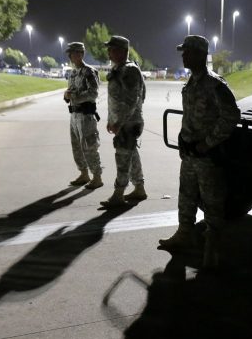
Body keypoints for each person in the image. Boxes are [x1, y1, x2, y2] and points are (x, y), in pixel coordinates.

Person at [158, 35, 241, 268]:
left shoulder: (216, 85)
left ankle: (212, 249)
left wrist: (207, 143)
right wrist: (183, 138)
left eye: (187, 52)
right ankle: (184, 235)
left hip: (207, 157)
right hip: (190, 154)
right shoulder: (191, 83)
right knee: (186, 197)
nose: (183, 56)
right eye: (183, 52)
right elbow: (191, 116)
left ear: (200, 54)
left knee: (212, 203)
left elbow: (231, 116)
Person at [99, 35, 147, 209]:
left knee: (122, 158)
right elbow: (115, 100)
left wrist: (118, 122)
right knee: (131, 155)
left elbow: (130, 101)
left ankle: (118, 194)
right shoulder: (119, 69)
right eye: (109, 49)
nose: (109, 52)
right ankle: (139, 188)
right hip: (123, 122)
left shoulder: (130, 70)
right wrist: (111, 120)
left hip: (129, 123)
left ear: (123, 51)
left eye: (112, 49)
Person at [64, 41, 104, 189]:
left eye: (74, 52)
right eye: (70, 53)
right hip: (74, 115)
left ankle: (97, 177)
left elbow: (93, 93)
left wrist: (74, 96)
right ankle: (84, 173)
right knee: (77, 147)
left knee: (89, 146)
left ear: (81, 54)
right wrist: (67, 95)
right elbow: (70, 91)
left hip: (86, 116)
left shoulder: (89, 71)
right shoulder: (73, 73)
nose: (71, 56)